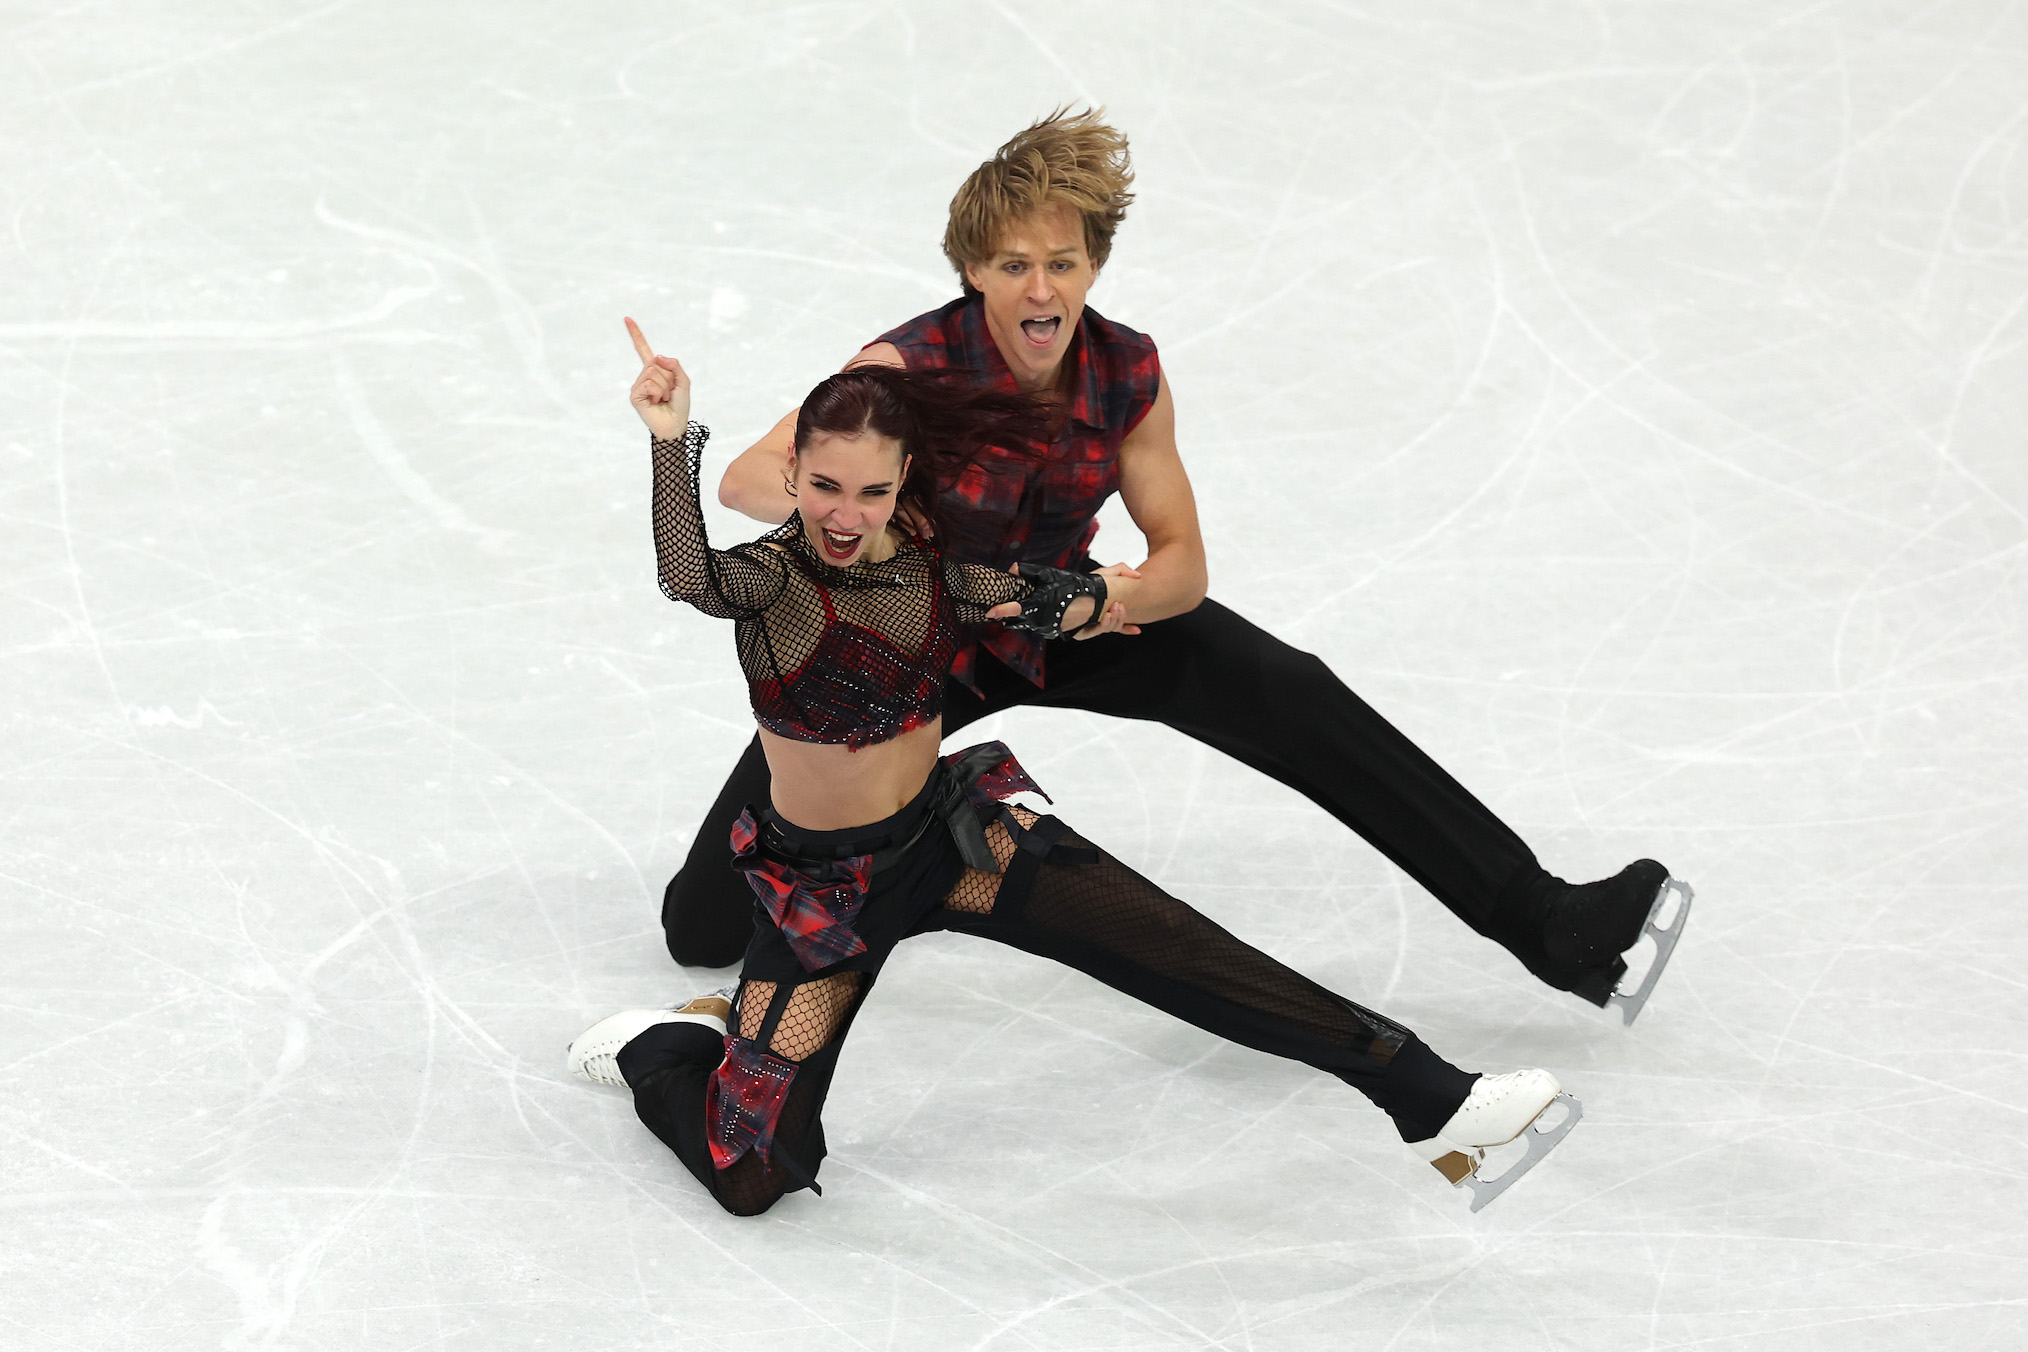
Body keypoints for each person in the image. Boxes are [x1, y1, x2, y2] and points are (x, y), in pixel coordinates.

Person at [661, 108, 1692, 1026]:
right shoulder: (903, 371)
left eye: (1061, 263)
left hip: (1064, 620)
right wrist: (891, 535)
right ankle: (915, 876)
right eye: (1014, 262)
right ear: (973, 269)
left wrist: (1101, 597)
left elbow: (1183, 565)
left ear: (1093, 269)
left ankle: (1544, 916)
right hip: (906, 649)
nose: (1039, 287)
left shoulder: (1126, 374)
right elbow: (754, 481)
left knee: (1285, 686)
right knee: (702, 921)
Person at [566, 320, 1583, 1217]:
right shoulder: (769, 580)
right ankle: (666, 1050)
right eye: (824, 484)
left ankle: (1433, 1093)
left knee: (1183, 949)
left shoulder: (935, 576)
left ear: (903, 484)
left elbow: (1042, 597)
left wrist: (1098, 596)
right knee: (752, 1176)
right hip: (821, 893)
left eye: (872, 489)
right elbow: (685, 572)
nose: (844, 510)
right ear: (793, 480)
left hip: (958, 842)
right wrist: (670, 441)